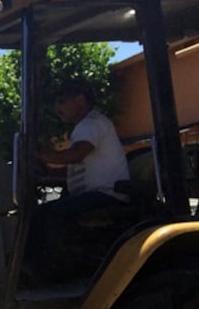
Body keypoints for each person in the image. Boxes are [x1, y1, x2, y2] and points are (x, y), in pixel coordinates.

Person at [28, 79, 130, 281]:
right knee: (40, 211)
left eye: (62, 101)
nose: (57, 108)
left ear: (80, 100)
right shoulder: (85, 127)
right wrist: (43, 173)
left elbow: (76, 155)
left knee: (51, 214)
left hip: (107, 195)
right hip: (94, 194)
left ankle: (49, 272)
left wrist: (38, 155)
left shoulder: (92, 123)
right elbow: (77, 168)